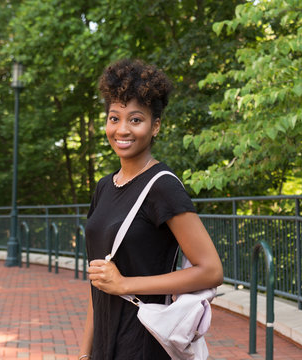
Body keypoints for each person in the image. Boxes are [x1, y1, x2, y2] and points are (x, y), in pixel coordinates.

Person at [78, 58, 224, 360]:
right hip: (104, 347)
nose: (122, 129)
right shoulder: (104, 187)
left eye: (135, 119)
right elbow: (101, 282)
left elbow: (211, 270)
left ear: (155, 126)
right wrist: (84, 354)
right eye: (114, 118)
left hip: (145, 343)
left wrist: (125, 284)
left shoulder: (163, 186)